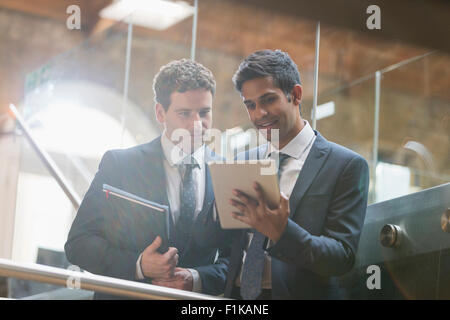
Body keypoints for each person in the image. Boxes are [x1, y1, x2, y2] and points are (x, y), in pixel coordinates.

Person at [65, 59, 230, 299]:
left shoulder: (226, 172)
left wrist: (196, 278)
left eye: (204, 113)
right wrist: (139, 265)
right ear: (160, 112)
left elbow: (235, 260)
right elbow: (79, 244)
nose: (197, 124)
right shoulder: (120, 166)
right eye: (184, 113)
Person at [224, 49, 370, 300]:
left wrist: (283, 232)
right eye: (251, 105)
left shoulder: (346, 166)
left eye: (269, 99)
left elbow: (342, 257)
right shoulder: (243, 161)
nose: (259, 114)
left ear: (296, 94)